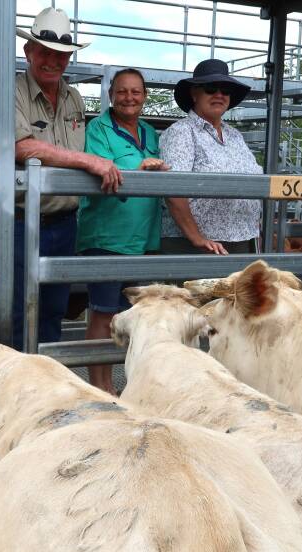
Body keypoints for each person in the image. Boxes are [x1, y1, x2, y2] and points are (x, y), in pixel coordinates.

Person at [0, 8, 123, 350]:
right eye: (45, 52)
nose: (53, 61)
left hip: (64, 223)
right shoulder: (11, 91)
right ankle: (13, 390)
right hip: (19, 222)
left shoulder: (73, 97)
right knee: (15, 311)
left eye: (61, 54)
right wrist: (87, 160)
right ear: (28, 52)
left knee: (52, 311)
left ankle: (45, 383)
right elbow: (19, 146)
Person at [77, 68, 168, 394]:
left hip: (143, 237)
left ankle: (128, 387)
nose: (129, 98)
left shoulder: (150, 132)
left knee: (133, 316)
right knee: (103, 315)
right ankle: (100, 387)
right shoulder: (98, 129)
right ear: (111, 95)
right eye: (122, 91)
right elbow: (101, 169)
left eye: (136, 92)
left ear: (144, 96)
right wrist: (139, 169)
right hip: (107, 236)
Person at [159, 58, 262, 255]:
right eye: (211, 88)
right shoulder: (182, 132)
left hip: (242, 239)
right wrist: (197, 237)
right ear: (194, 94)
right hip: (196, 245)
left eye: (225, 90)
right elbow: (173, 190)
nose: (219, 95)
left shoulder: (234, 135)